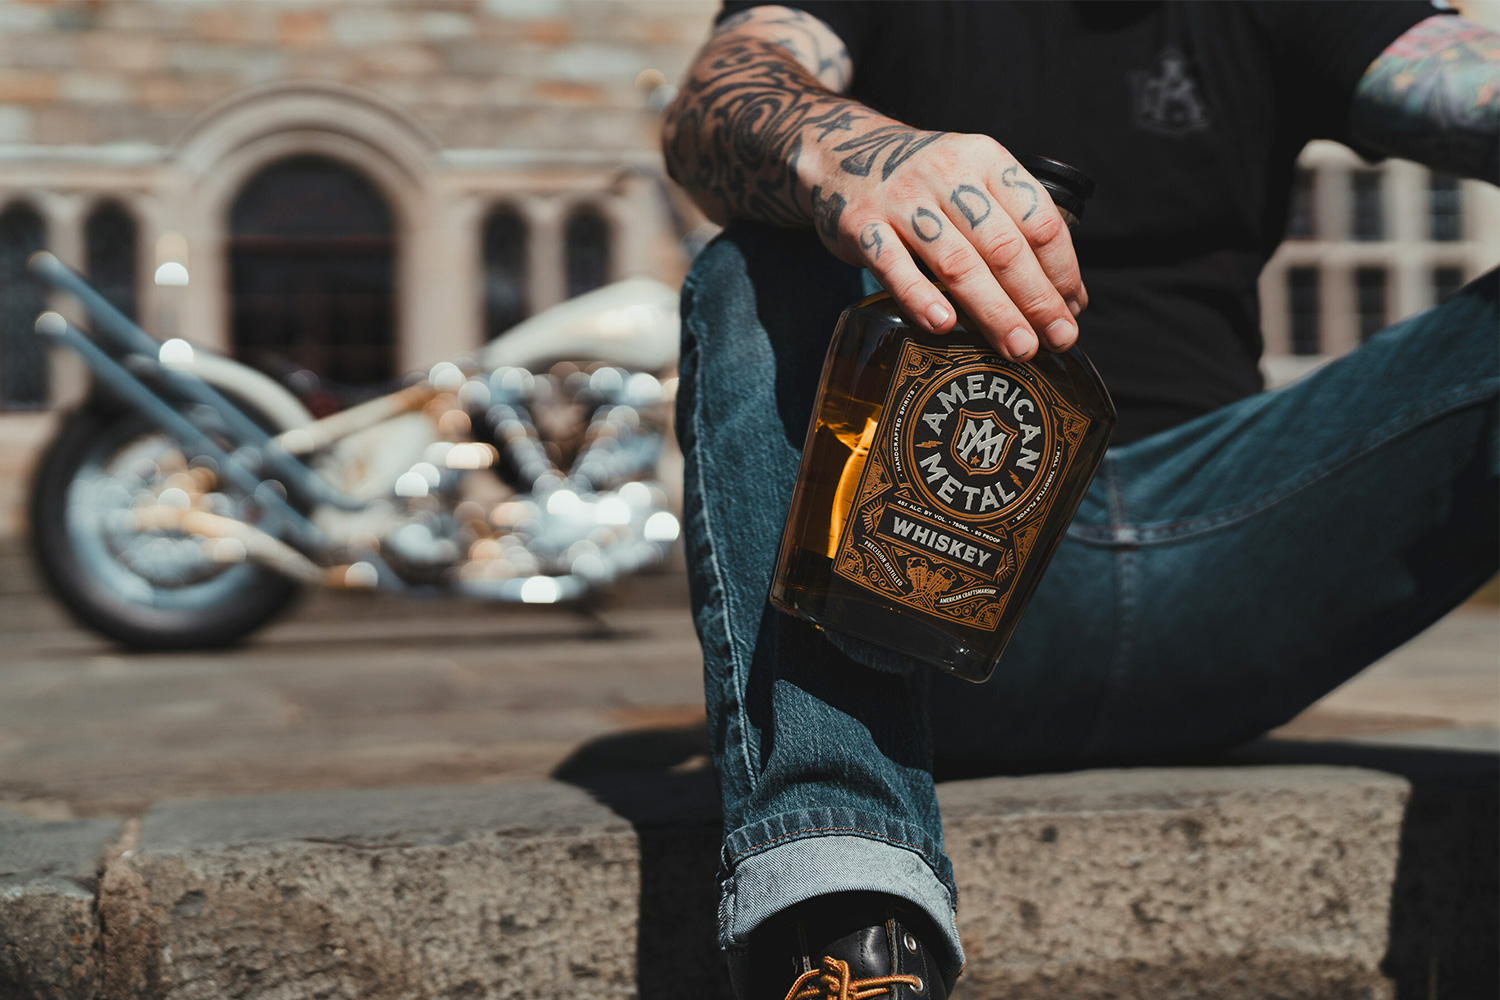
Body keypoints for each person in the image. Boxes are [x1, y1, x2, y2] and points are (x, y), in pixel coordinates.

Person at [660, 3, 1500, 997]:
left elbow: (1457, 76)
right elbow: (721, 93)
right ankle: (845, 925)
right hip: (916, 597)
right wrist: (855, 155)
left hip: (1241, 555)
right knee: (765, 249)